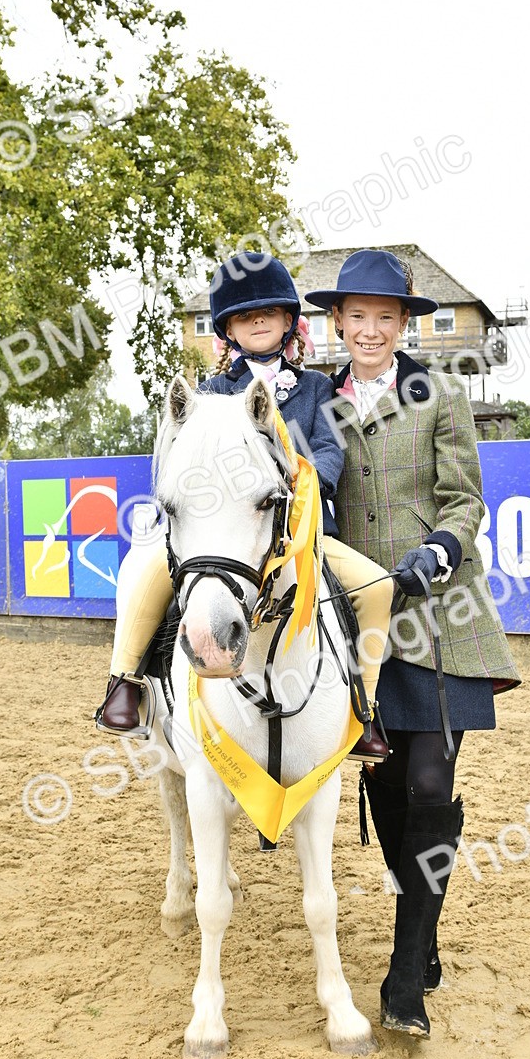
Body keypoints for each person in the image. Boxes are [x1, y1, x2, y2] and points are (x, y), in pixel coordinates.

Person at [305, 248, 521, 1038]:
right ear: (338, 323)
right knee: (391, 796)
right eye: (355, 317)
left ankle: (404, 981)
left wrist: (438, 549)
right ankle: (419, 930)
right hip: (360, 621)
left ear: (404, 326)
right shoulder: (315, 403)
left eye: (384, 318)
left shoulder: (440, 393)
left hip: (439, 612)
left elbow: (465, 498)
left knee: (432, 784)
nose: (369, 329)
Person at [95, 251, 394, 764]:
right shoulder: (209, 394)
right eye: (244, 314)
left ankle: (364, 709)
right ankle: (126, 684)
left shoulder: (318, 389)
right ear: (228, 328)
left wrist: (288, 480)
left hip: (300, 536)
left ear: (287, 322)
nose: (258, 320)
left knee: (377, 588)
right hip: (226, 539)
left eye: (269, 312)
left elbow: (329, 452)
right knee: (144, 566)